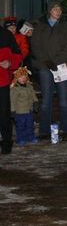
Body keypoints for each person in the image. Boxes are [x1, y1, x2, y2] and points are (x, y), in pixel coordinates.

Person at [31, 0, 67, 141]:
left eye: (60, 9)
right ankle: (44, 130)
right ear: (50, 11)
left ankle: (66, 130)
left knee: (63, 100)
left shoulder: (65, 27)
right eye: (55, 9)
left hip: (62, 67)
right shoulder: (40, 27)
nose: (58, 12)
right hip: (44, 67)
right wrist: (47, 61)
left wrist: (56, 62)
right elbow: (35, 46)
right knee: (46, 100)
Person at [0, 25, 23, 154]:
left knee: (3, 113)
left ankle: (6, 141)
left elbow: (18, 56)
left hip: (1, 80)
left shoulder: (5, 35)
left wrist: (9, 62)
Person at [10, 66, 39, 146]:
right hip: (19, 112)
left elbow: (33, 95)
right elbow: (12, 101)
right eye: (21, 77)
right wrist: (12, 111)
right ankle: (21, 138)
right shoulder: (15, 89)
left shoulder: (29, 86)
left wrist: (36, 102)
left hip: (29, 110)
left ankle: (31, 137)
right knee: (21, 126)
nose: (23, 78)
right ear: (17, 78)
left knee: (30, 125)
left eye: (25, 76)